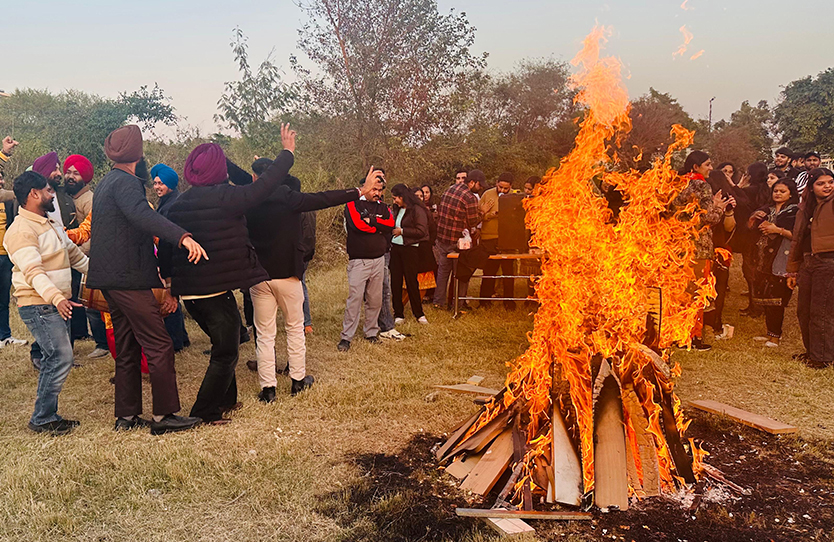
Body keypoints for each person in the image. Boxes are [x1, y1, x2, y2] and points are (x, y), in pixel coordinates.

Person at [160, 125, 329, 421]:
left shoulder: (177, 204)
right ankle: (206, 411)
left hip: (192, 294)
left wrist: (169, 283)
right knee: (225, 352)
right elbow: (264, 186)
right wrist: (287, 153)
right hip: (213, 291)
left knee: (226, 343)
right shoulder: (227, 197)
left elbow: (166, 244)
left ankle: (228, 400)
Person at [87, 124, 207, 434]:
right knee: (159, 344)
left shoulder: (106, 183)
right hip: (127, 280)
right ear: (138, 155)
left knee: (127, 347)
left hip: (111, 279)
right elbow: (144, 216)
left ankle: (126, 417)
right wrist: (182, 236)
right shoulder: (126, 184)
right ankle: (163, 416)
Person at [244, 163, 372, 402]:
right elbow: (323, 198)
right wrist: (359, 191)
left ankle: (268, 389)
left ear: (254, 177)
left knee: (264, 334)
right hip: (289, 275)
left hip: (259, 277)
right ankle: (298, 381)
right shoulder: (288, 197)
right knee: (294, 328)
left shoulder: (247, 198)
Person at [4, 171, 88, 435]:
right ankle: (42, 417)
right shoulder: (21, 230)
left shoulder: (49, 222)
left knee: (56, 357)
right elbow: (33, 272)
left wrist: (101, 276)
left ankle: (46, 415)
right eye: (49, 190)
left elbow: (74, 255)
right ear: (34, 194)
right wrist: (57, 297)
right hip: (38, 304)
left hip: (54, 301)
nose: (53, 194)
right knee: (61, 356)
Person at [675, 151, 730, 351]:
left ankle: (677, 335)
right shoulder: (701, 185)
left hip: (678, 248)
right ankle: (693, 337)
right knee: (697, 294)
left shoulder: (676, 184)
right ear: (695, 167)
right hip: (698, 248)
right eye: (707, 164)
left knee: (680, 295)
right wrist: (719, 208)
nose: (710, 168)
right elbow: (709, 219)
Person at [337, 169, 393, 352]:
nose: (377, 193)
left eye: (380, 190)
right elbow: (358, 225)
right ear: (365, 187)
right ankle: (346, 337)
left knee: (375, 300)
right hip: (359, 261)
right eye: (374, 189)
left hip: (378, 260)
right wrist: (379, 226)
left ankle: (371, 332)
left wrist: (373, 222)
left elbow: (390, 225)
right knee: (354, 299)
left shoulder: (384, 207)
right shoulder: (352, 204)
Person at [786, 168, 834, 368]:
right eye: (821, 183)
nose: (827, 186)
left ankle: (822, 357)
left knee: (821, 311)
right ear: (811, 187)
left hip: (829, 261)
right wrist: (793, 269)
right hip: (808, 262)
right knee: (803, 310)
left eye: (830, 182)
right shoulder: (805, 207)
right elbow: (797, 239)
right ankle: (812, 351)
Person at [748, 179, 799, 347]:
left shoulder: (794, 212)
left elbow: (799, 236)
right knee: (767, 298)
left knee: (777, 299)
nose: (777, 193)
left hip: (782, 259)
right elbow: (751, 227)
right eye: (775, 190)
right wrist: (756, 219)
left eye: (782, 191)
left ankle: (776, 337)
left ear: (791, 193)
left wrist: (777, 230)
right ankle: (770, 333)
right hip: (764, 259)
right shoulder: (766, 210)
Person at [151, 163, 190, 353]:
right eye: (155, 183)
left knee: (170, 297)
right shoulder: (168, 202)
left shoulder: (170, 206)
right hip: (175, 257)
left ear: (171, 184)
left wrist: (166, 269)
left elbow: (168, 239)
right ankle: (182, 336)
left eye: (161, 183)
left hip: (174, 258)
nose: (157, 187)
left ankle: (175, 341)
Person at [432, 170, 482, 309]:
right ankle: (458, 303)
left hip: (442, 238)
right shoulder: (470, 197)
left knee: (443, 272)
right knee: (461, 272)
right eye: (479, 185)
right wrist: (482, 213)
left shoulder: (450, 189)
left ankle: (438, 302)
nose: (480, 188)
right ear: (472, 182)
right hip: (457, 241)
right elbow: (473, 222)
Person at [471, 172, 516, 309]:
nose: (502, 190)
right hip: (489, 237)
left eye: (505, 188)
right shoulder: (487, 194)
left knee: (508, 271)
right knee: (489, 270)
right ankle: (484, 301)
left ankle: (509, 302)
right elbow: (478, 216)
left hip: (507, 238)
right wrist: (490, 215)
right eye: (500, 187)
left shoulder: (515, 196)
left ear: (511, 187)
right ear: (496, 183)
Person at [0, 136, 28, 348]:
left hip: (4, 256)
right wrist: (4, 153)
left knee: (3, 299)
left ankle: (4, 336)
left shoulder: (7, 201)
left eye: (2, 178)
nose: (0, 181)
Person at [704, 171, 738, 340]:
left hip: (719, 249)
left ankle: (715, 323)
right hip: (702, 250)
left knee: (719, 288)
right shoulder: (701, 202)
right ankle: (701, 324)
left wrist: (729, 211)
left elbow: (729, 228)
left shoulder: (725, 200)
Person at [389, 183, 430, 325]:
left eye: (396, 198)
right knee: (395, 281)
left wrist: (403, 231)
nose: (394, 201)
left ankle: (418, 313)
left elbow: (422, 231)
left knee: (412, 281)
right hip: (395, 249)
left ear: (402, 197)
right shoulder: (396, 209)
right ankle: (398, 313)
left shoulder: (417, 210)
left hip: (411, 249)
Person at [739, 162, 772, 317]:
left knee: (750, 271)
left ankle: (755, 307)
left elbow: (737, 204)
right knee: (762, 270)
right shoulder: (769, 191)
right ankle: (763, 305)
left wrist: (739, 186)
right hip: (765, 235)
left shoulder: (747, 191)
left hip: (749, 236)